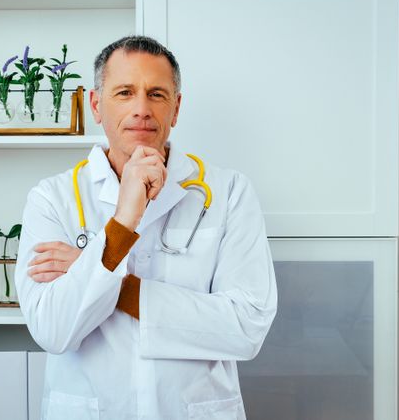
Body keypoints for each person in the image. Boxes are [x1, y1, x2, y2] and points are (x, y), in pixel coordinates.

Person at [14, 35, 277, 420]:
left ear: (176, 108)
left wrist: (105, 277)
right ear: (96, 105)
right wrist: (124, 221)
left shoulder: (229, 192)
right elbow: (54, 330)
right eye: (124, 92)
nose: (141, 109)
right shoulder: (51, 199)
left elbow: (245, 328)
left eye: (157, 93)